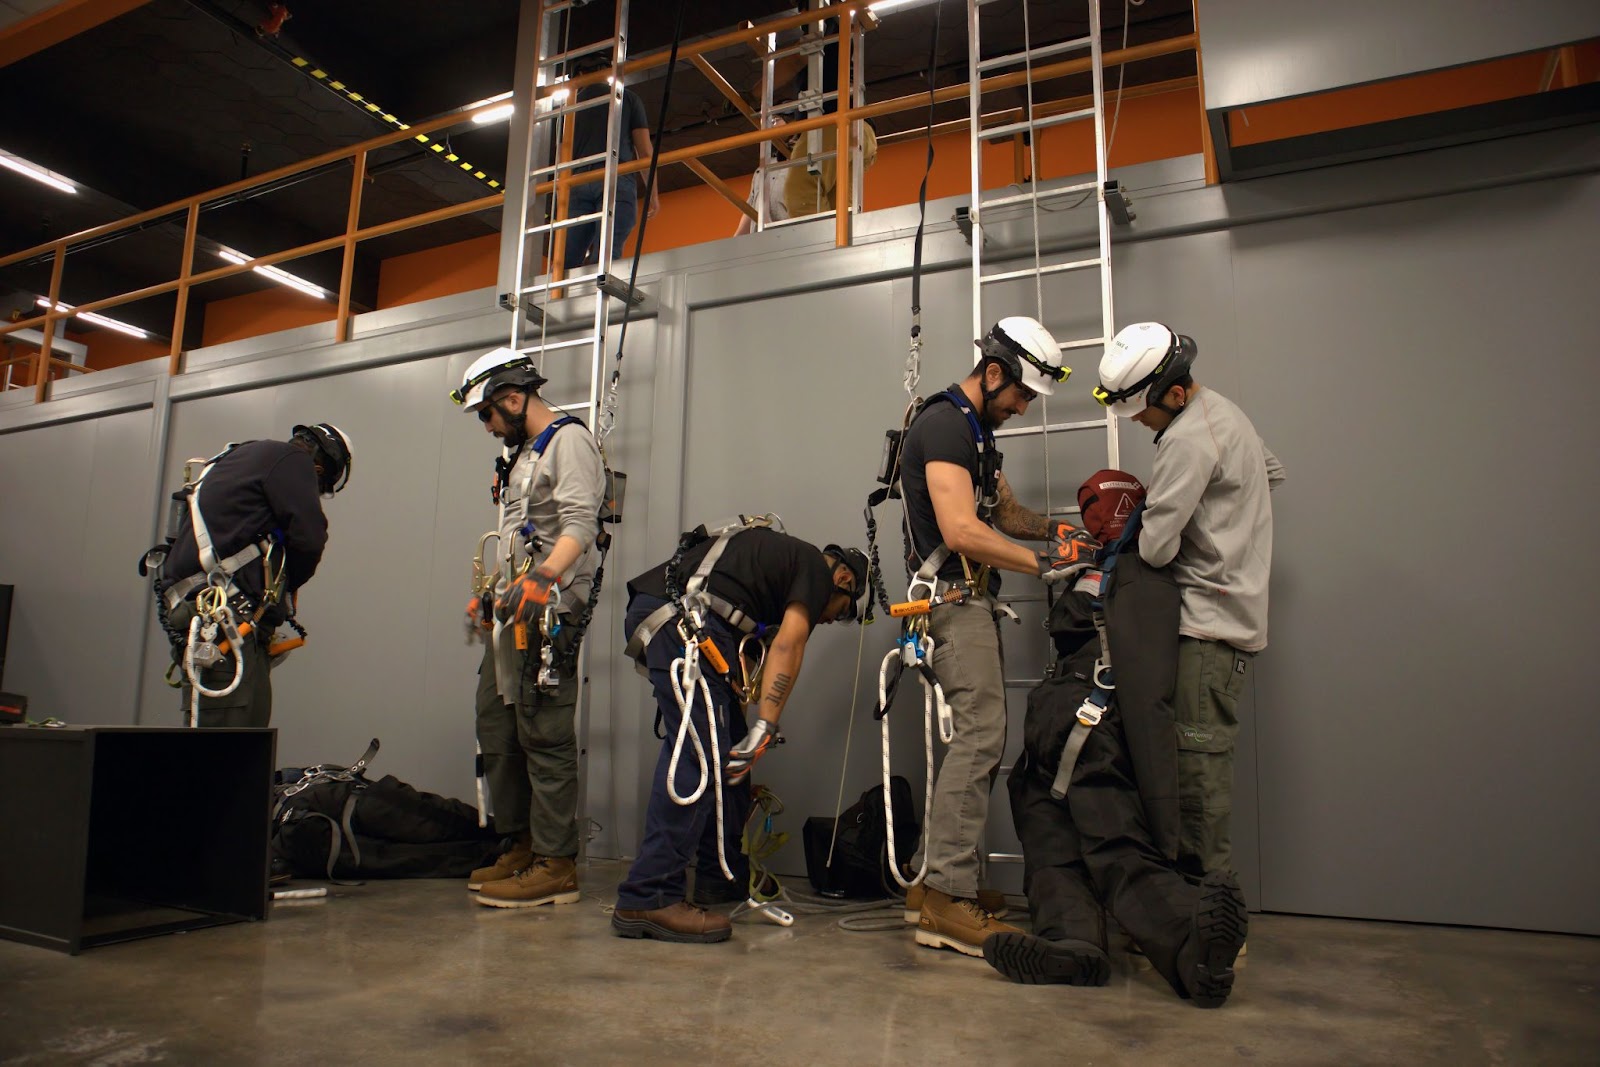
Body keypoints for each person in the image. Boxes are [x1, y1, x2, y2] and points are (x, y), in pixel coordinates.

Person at [983, 470, 1249, 1008]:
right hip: (1056, 716)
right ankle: (1073, 941)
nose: (1092, 516)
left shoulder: (1143, 574)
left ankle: (1190, 945)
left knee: (1116, 841)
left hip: (1096, 716)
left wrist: (1163, 804)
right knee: (1046, 828)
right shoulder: (1093, 566)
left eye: (1099, 505)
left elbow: (1150, 690)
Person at [897, 315, 1098, 958]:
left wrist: (1054, 532)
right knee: (981, 739)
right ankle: (947, 901)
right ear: (992, 374)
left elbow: (1001, 511)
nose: (1022, 407)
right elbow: (959, 530)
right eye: (1021, 395)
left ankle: (931, 888)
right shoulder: (944, 425)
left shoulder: (977, 433)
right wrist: (1043, 565)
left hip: (969, 604)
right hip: (953, 605)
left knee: (974, 742)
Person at [612, 522, 868, 943]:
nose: (828, 618)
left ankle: (721, 876)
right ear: (843, 579)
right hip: (685, 620)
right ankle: (649, 894)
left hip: (689, 620)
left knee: (728, 752)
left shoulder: (775, 567)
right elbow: (790, 644)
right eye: (839, 612)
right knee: (702, 754)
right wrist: (767, 723)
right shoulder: (815, 571)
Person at [1095, 322, 1285, 878]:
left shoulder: (1185, 439)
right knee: (1200, 778)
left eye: (1143, 413)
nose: (1140, 422)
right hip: (1229, 624)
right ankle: (1199, 918)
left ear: (1174, 393)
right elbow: (1271, 471)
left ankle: (1211, 928)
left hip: (1207, 630)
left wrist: (1144, 511)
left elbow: (1154, 549)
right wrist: (1221, 516)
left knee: (1197, 788)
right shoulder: (1227, 414)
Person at [449, 347, 607, 909]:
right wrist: (488, 595)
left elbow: (580, 523)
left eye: (488, 414)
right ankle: (520, 844)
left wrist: (543, 577)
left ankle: (556, 862)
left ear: (514, 399)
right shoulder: (523, 456)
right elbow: (517, 533)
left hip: (552, 609)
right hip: (514, 610)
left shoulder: (570, 442)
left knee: (543, 733)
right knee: (496, 727)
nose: (488, 426)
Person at [154, 422, 352, 728]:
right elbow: (310, 538)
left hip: (214, 615)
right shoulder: (292, 460)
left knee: (248, 736)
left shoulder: (240, 457)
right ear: (322, 466)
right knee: (227, 748)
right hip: (222, 617)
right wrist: (286, 589)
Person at [562, 55, 660, 269]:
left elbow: (562, 153)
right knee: (606, 254)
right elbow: (644, 151)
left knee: (567, 260)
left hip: (576, 182)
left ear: (577, 76)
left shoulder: (568, 108)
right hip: (615, 178)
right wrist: (653, 194)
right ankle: (596, 292)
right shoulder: (627, 98)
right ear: (608, 72)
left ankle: (558, 297)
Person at [771, 21, 878, 217]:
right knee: (840, 209)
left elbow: (795, 61)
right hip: (858, 129)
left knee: (800, 192)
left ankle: (821, 245)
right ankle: (840, 246)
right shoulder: (841, 27)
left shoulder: (824, 24)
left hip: (834, 124)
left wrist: (752, 94)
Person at [733, 116, 791, 237]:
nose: (770, 125)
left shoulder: (807, 161)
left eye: (775, 120)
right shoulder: (762, 169)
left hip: (791, 234)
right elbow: (751, 209)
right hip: (760, 238)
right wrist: (736, 240)